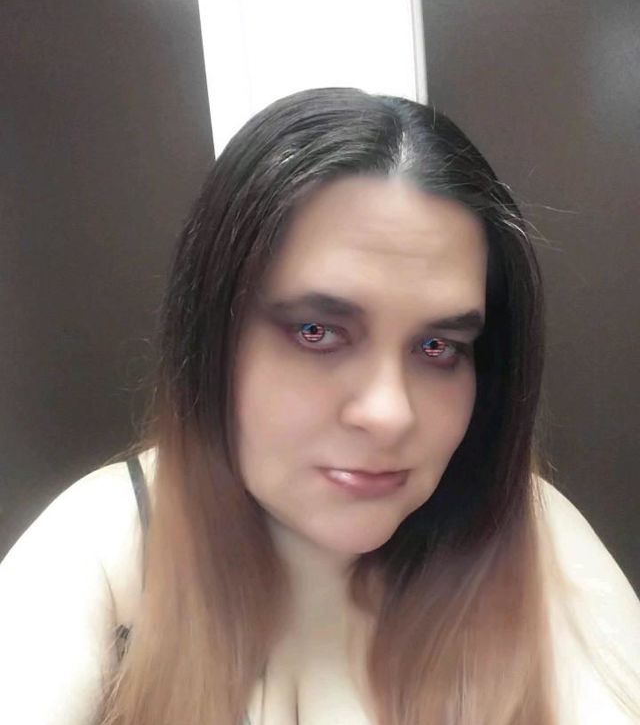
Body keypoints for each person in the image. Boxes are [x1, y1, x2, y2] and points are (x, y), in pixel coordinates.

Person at [0, 87, 638, 725]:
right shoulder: (102, 544)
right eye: (316, 332)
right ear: (212, 334)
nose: (389, 413)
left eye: (437, 346)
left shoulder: (525, 528)